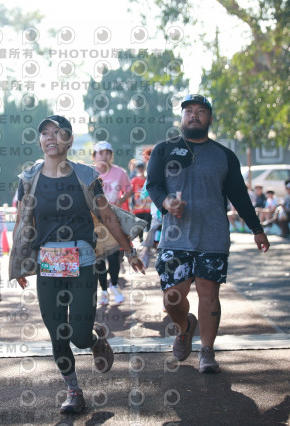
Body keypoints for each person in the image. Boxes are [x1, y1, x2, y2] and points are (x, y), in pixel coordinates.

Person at [12, 115, 145, 414]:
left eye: (58, 132)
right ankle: (73, 391)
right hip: (48, 264)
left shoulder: (85, 176)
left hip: (82, 261)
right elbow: (22, 222)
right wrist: (19, 263)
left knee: (80, 336)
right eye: (45, 133)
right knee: (57, 332)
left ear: (69, 140)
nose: (51, 137)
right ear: (40, 140)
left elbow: (108, 216)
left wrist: (130, 251)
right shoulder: (29, 179)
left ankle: (94, 339)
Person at [146, 94, 270, 374]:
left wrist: (257, 229)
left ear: (210, 118)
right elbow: (153, 184)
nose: (194, 115)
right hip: (175, 236)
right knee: (171, 298)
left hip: (213, 236)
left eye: (200, 111)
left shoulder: (224, 155)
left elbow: (239, 195)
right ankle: (185, 327)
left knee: (209, 294)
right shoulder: (164, 150)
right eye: (188, 111)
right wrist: (165, 202)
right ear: (182, 117)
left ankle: (207, 351)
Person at [92, 141, 133, 305]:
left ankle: (114, 286)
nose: (104, 156)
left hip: (115, 221)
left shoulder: (120, 172)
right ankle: (103, 291)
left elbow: (129, 189)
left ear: (111, 155)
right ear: (94, 156)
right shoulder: (89, 173)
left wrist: (122, 199)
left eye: (108, 153)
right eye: (101, 153)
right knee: (99, 258)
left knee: (114, 257)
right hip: (96, 223)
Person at [130, 160, 152, 242]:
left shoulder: (148, 179)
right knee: (139, 226)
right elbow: (130, 193)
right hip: (138, 208)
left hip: (148, 207)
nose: (140, 169)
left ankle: (149, 241)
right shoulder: (134, 180)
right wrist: (131, 206)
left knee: (149, 225)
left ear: (144, 168)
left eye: (141, 168)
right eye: (138, 168)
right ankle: (141, 240)